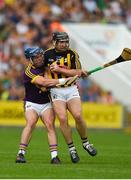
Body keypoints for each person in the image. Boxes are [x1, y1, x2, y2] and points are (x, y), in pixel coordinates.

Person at [15, 46, 78, 164]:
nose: (39, 59)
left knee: (50, 125)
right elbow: (44, 83)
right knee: (31, 123)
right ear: (30, 59)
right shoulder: (29, 72)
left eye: (40, 56)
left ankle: (54, 156)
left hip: (46, 103)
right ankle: (21, 153)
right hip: (32, 103)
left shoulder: (47, 65)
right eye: (36, 57)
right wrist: (64, 81)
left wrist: (77, 73)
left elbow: (65, 70)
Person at [44, 31, 97, 163]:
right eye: (61, 42)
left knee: (78, 116)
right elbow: (42, 71)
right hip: (56, 90)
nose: (64, 44)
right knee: (62, 118)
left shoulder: (72, 54)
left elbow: (77, 72)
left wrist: (61, 70)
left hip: (71, 88)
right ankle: (71, 148)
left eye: (66, 42)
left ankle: (86, 143)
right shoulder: (47, 54)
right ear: (54, 42)